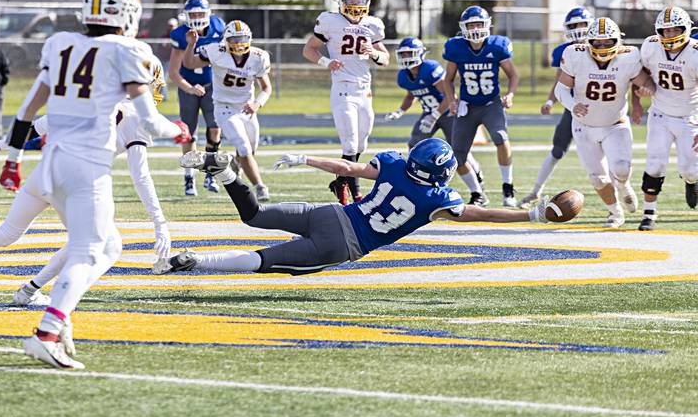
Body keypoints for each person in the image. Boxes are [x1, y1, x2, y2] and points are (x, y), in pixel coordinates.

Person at [0, 0, 190, 369]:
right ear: (125, 14)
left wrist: (10, 154)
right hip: (86, 170)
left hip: (50, 166)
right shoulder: (128, 51)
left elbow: (30, 107)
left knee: (99, 246)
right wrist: (176, 130)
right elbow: (148, 119)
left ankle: (57, 317)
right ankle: (47, 330)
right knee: (93, 250)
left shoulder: (61, 45)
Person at [0, 68, 179, 302]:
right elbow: (141, 176)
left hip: (45, 172)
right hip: (75, 181)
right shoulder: (137, 117)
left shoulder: (87, 99)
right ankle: (38, 296)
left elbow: (35, 128)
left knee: (7, 232)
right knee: (106, 245)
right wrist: (160, 223)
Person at [163, 138, 553, 276]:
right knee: (263, 260)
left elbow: (347, 167)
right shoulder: (438, 199)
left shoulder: (395, 165)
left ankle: (229, 174)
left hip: (330, 214)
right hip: (343, 244)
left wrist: (305, 160)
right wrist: (529, 214)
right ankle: (200, 262)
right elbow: (481, 214)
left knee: (255, 216)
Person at [555, 17, 654, 228]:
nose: (602, 47)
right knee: (598, 178)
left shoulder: (629, 57)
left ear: (617, 41)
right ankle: (615, 213)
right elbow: (561, 89)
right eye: (597, 43)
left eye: (607, 42)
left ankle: (624, 185)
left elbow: (644, 82)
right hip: (584, 126)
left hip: (615, 124)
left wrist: (646, 89)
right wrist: (573, 105)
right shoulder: (575, 55)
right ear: (588, 42)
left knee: (621, 168)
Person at [302, 0, 390, 204]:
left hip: (365, 90)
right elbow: (309, 49)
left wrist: (374, 53)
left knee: (361, 145)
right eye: (350, 0)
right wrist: (325, 62)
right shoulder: (330, 20)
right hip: (343, 90)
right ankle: (355, 191)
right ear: (341, 1)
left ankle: (339, 181)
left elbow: (385, 59)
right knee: (350, 145)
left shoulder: (373, 24)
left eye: (359, 1)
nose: (354, 5)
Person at [183, 20, 273, 200]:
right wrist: (191, 45)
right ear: (226, 41)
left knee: (250, 152)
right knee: (244, 147)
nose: (238, 44)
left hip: (247, 109)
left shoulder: (258, 57)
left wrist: (257, 104)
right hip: (224, 108)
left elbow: (266, 88)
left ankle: (235, 163)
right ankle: (260, 186)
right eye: (234, 39)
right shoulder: (216, 51)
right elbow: (190, 64)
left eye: (242, 39)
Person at [440, 5, 520, 208]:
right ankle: (477, 192)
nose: (475, 29)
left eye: (479, 24)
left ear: (487, 25)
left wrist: (510, 95)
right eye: (471, 25)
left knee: (501, 137)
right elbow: (447, 80)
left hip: (491, 103)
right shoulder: (456, 47)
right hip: (467, 105)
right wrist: (452, 100)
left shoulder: (498, 46)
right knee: (457, 155)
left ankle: (508, 186)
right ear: (464, 28)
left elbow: (513, 74)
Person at [520, 7, 593, 207]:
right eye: (574, 26)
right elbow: (560, 81)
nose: (578, 29)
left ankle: (618, 196)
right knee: (557, 150)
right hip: (573, 109)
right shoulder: (563, 51)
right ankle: (535, 192)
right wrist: (550, 100)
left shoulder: (601, 46)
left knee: (604, 153)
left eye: (582, 24)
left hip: (600, 110)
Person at [384, 37, 483, 181]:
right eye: (403, 54)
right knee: (415, 144)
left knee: (458, 149)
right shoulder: (404, 76)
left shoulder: (429, 68)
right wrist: (399, 111)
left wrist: (434, 115)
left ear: (419, 53)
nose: (406, 57)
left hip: (449, 112)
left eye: (409, 53)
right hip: (430, 113)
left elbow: (449, 96)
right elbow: (410, 95)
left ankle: (477, 172)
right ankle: (416, 175)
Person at [637, 6, 698, 230]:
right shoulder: (651, 46)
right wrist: (640, 93)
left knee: (690, 170)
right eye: (666, 30)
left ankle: (691, 183)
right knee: (654, 164)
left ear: (686, 29)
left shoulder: (695, 52)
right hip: (660, 114)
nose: (670, 35)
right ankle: (649, 214)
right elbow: (638, 74)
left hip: (690, 117)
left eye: (675, 30)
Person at [168, 0, 225, 196]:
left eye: (201, 13)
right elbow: (174, 72)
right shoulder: (180, 34)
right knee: (188, 134)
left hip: (212, 86)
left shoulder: (218, 27)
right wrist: (189, 88)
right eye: (193, 14)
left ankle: (210, 171)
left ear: (209, 14)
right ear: (186, 16)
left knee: (215, 129)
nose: (198, 17)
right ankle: (189, 177)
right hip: (189, 87)